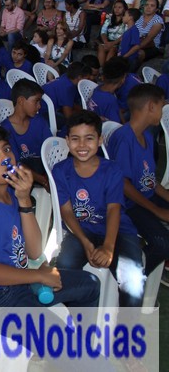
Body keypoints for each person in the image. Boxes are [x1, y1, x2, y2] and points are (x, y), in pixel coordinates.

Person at [0, 122, 100, 307]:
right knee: (53, 327)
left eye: (6, 149)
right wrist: (38, 275)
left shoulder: (12, 193)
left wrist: (24, 200)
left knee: (90, 284)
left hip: (20, 280)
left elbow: (34, 251)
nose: (5, 158)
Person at [53, 110, 145, 307]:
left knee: (133, 281)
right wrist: (85, 242)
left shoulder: (112, 170)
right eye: (75, 139)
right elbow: (66, 211)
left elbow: (114, 210)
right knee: (65, 268)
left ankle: (128, 325)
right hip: (81, 229)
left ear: (100, 140)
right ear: (67, 141)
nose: (82, 145)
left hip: (117, 230)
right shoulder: (60, 170)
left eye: (89, 138)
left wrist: (109, 247)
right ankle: (77, 320)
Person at [107, 83, 169, 286]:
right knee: (162, 242)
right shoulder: (124, 138)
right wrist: (158, 211)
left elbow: (150, 180)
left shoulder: (147, 136)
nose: (162, 111)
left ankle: (164, 263)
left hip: (146, 196)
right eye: (161, 106)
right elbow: (124, 185)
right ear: (151, 106)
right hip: (129, 205)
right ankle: (133, 280)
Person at [1, 79, 52, 189]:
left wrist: (49, 177)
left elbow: (50, 150)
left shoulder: (40, 121)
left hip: (44, 169)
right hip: (24, 175)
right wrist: (43, 180)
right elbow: (14, 163)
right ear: (21, 101)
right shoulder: (5, 128)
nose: (39, 106)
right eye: (36, 101)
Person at [98, 0, 128, 66]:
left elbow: (125, 35)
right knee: (101, 47)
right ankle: (100, 68)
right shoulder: (109, 18)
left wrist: (113, 43)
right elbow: (103, 31)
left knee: (113, 49)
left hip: (118, 43)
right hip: (107, 41)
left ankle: (107, 68)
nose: (117, 9)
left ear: (124, 9)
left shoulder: (126, 20)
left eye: (120, 7)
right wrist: (106, 42)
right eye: (115, 7)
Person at [119, 8, 142, 72]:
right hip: (125, 59)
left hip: (130, 60)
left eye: (124, 15)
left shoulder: (134, 30)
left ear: (130, 17)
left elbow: (137, 46)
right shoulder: (129, 30)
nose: (123, 17)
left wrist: (124, 57)